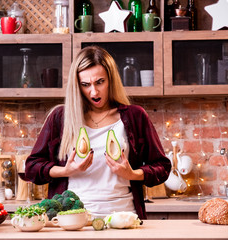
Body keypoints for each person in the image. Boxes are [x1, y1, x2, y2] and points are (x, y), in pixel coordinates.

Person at [25, 46, 171, 219]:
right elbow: (31, 168)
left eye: (99, 82)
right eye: (85, 85)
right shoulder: (61, 117)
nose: (93, 92)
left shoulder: (135, 116)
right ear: (77, 85)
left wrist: (132, 174)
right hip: (72, 221)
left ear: (111, 79)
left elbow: (162, 167)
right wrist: (65, 171)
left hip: (124, 218)